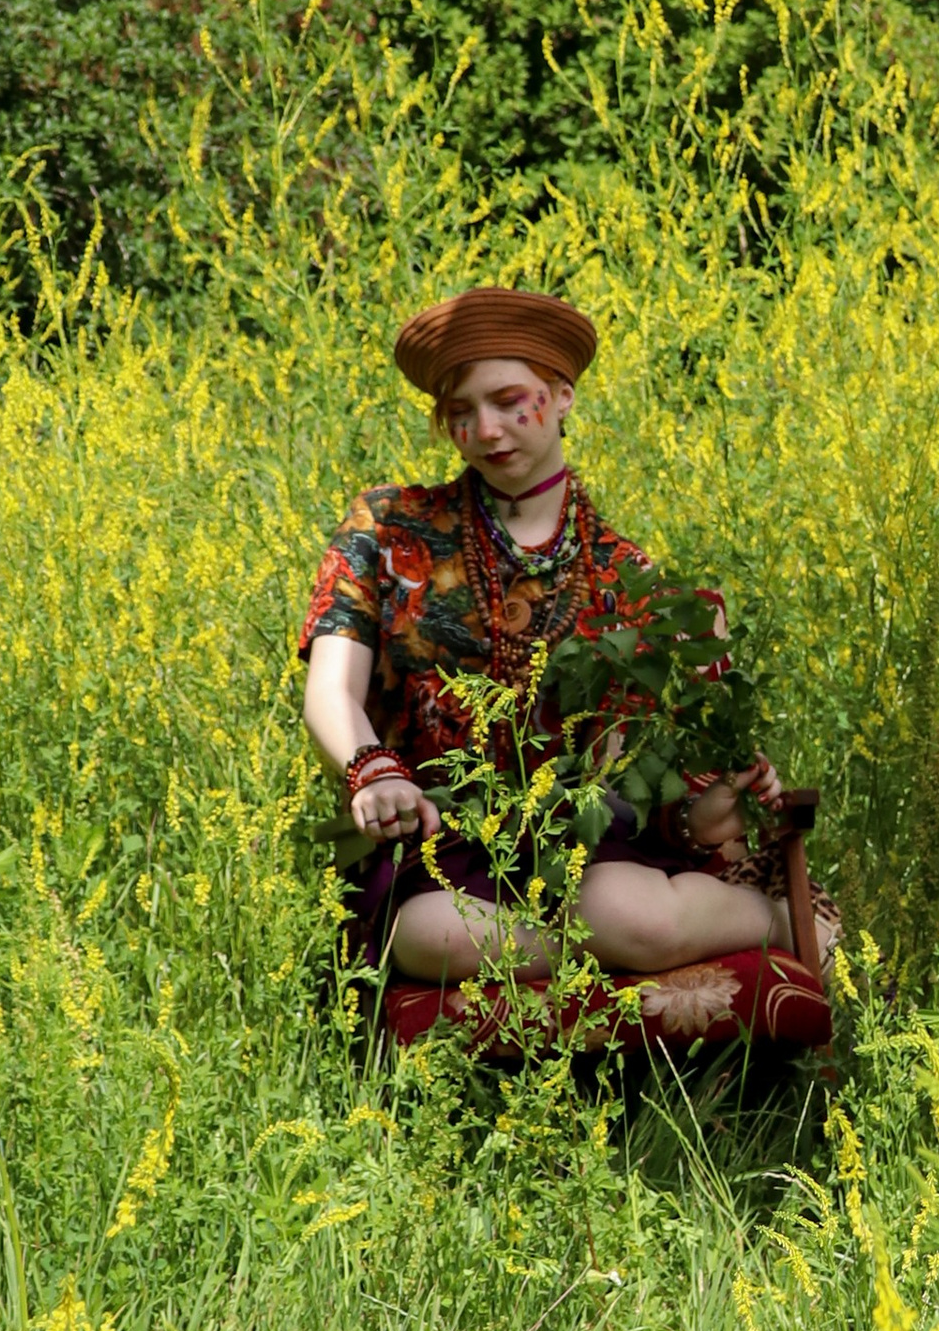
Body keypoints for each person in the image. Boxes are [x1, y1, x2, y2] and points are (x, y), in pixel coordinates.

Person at [299, 286, 824, 1006]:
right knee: (427, 932)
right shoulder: (390, 529)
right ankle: (614, 953)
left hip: (597, 859)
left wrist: (721, 795)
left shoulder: (632, 581)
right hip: (447, 852)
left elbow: (675, 798)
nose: (486, 429)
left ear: (563, 394)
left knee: (619, 908)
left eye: (509, 399)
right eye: (460, 413)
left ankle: (788, 922)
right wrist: (373, 771)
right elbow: (331, 688)